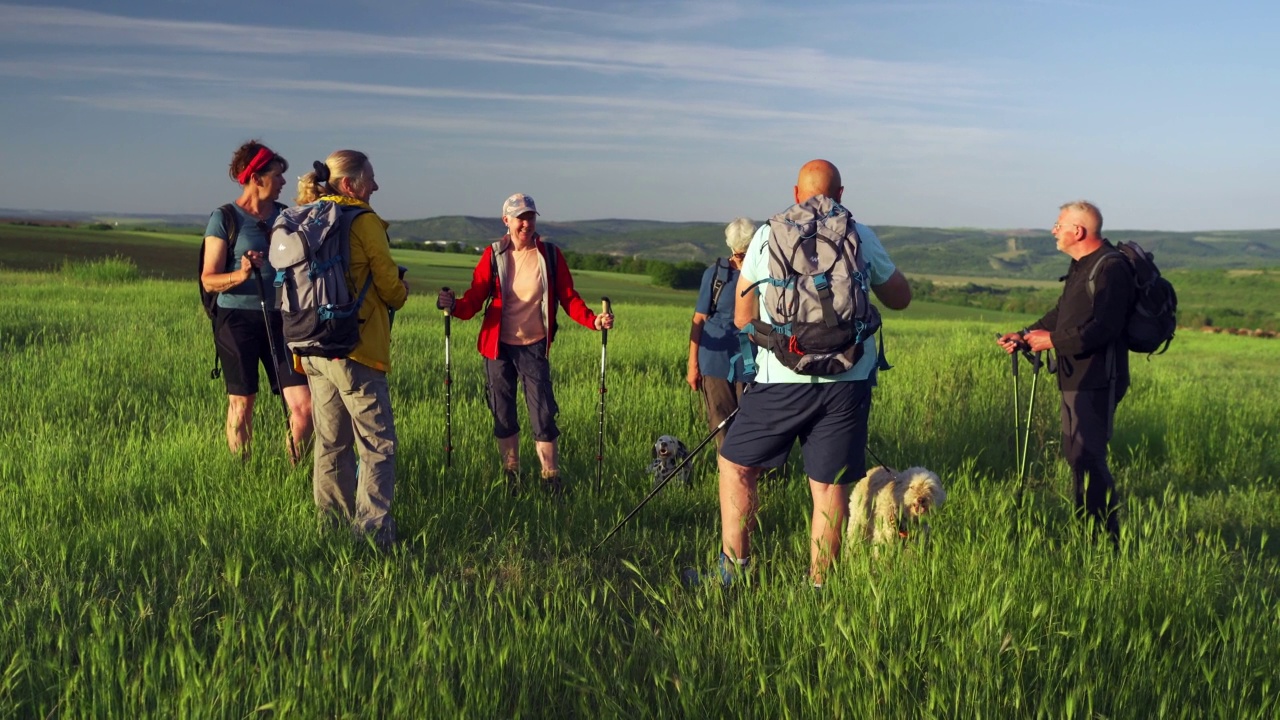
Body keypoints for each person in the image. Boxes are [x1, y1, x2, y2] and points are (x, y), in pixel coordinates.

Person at [717, 159, 912, 588]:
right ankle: (820, 587)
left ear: (795, 193)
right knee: (829, 487)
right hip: (848, 378)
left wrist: (780, 338)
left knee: (736, 466)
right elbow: (901, 299)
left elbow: (742, 316)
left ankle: (734, 574)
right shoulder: (859, 235)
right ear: (841, 194)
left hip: (780, 377)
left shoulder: (767, 235)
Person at [436, 193, 614, 495]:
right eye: (520, 217)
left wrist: (593, 320)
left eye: (530, 216)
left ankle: (550, 478)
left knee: (543, 413)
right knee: (503, 413)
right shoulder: (493, 255)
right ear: (507, 220)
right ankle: (511, 476)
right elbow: (475, 298)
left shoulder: (550, 256)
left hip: (534, 345)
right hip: (498, 347)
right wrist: (453, 306)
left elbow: (568, 297)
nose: (526, 223)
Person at [997, 201, 1133, 546]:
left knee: (1088, 456)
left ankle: (1104, 542)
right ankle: (1087, 533)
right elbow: (1063, 313)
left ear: (1078, 231)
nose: (1054, 230)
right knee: (1078, 456)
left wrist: (1052, 341)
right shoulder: (1082, 266)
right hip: (1076, 378)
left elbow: (1105, 328)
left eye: (1059, 225)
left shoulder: (1111, 269)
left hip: (1098, 379)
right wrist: (1026, 335)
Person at [296, 150, 408, 548]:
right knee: (377, 445)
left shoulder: (307, 216)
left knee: (331, 442)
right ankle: (373, 536)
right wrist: (402, 291)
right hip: (355, 349)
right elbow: (390, 287)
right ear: (350, 184)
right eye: (370, 179)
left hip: (311, 347)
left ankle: (331, 529)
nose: (375, 186)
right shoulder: (363, 220)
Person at [200, 140, 312, 463]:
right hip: (236, 319)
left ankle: (294, 472)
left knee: (304, 406)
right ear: (256, 178)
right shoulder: (225, 218)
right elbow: (209, 279)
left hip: (282, 319)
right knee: (242, 402)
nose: (283, 182)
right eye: (277, 175)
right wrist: (242, 272)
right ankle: (242, 475)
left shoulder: (287, 217)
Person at [686, 218, 756, 450]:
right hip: (716, 362)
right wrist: (692, 366)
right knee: (721, 423)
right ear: (731, 249)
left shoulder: (764, 275)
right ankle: (729, 477)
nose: (743, 261)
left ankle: (759, 479)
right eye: (739, 255)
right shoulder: (714, 275)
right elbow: (698, 320)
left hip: (753, 362)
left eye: (748, 254)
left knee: (754, 423)